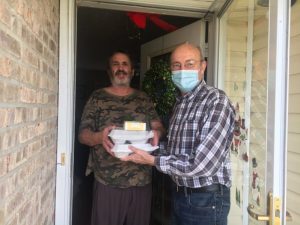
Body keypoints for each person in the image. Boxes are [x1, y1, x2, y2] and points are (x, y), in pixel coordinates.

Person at [122, 43, 235, 225]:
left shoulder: (215, 102)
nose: (182, 70)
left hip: (206, 201)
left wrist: (153, 160)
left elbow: (202, 165)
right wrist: (151, 145)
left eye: (189, 64)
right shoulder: (180, 104)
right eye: (176, 65)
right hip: (179, 194)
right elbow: (175, 150)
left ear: (202, 66)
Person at [78, 50, 165, 225]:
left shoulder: (143, 99)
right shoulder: (98, 98)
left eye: (125, 64)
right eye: (116, 64)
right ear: (109, 71)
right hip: (108, 182)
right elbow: (83, 135)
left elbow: (157, 126)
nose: (121, 68)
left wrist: (158, 133)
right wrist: (99, 137)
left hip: (141, 181)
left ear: (132, 71)